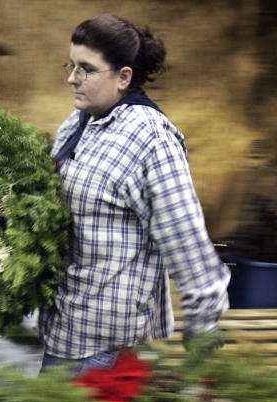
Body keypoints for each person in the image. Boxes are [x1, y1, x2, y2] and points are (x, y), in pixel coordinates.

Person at [39, 13, 230, 375]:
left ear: (124, 76)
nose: (71, 78)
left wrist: (203, 348)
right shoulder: (79, 123)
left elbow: (189, 248)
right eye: (71, 65)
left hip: (104, 348)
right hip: (63, 331)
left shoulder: (150, 139)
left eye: (86, 69)